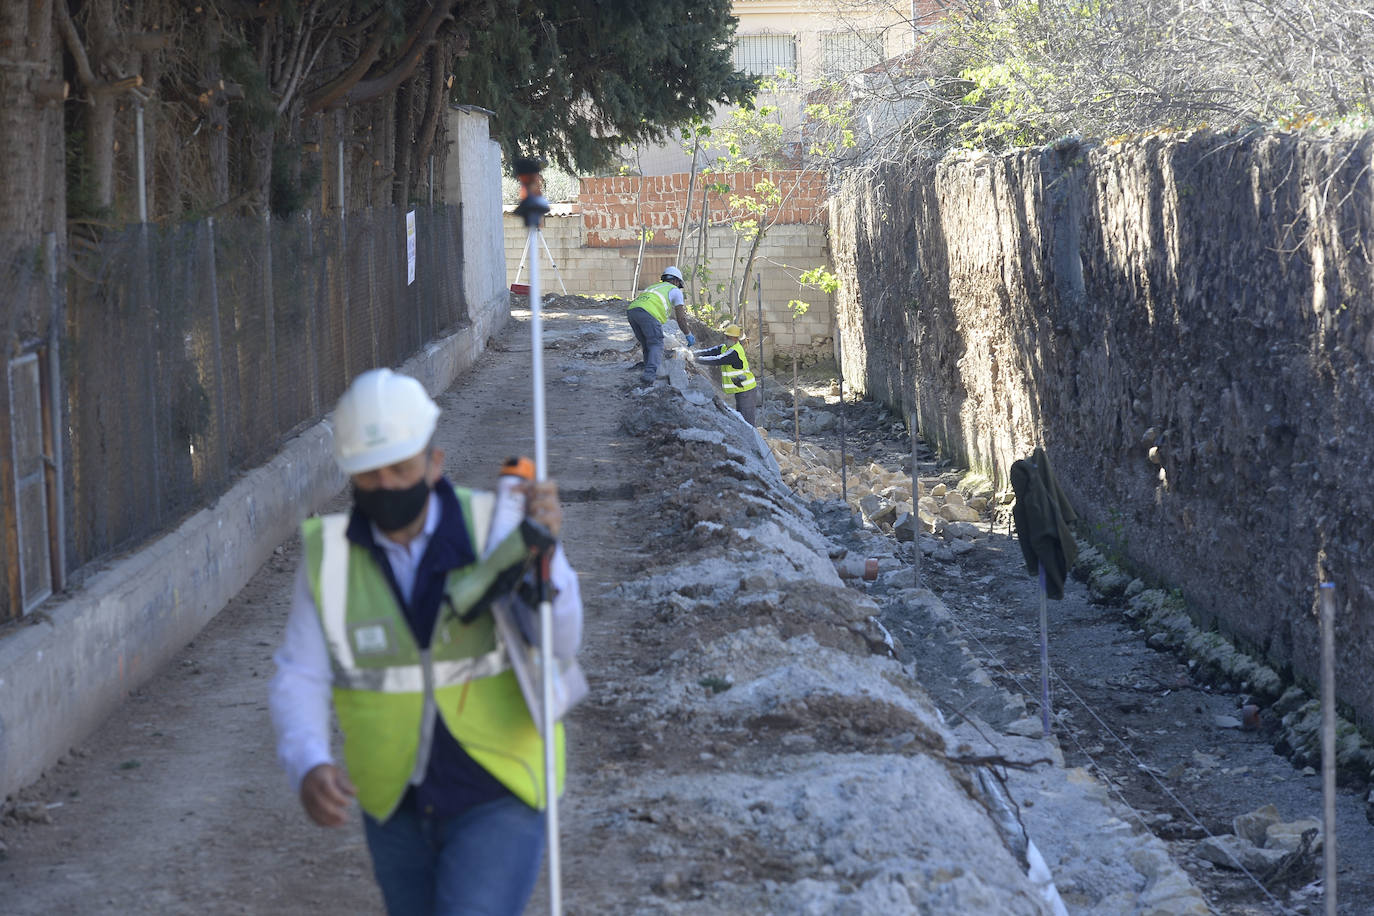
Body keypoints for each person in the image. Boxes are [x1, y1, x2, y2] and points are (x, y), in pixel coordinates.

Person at [270, 368, 583, 916]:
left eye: (401, 467)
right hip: (396, 802)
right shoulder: (331, 562)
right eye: (370, 473)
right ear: (349, 473)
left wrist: (546, 563)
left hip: (501, 786)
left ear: (433, 463)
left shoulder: (496, 527)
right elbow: (301, 673)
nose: (387, 484)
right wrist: (308, 760)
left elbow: (561, 641)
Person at [626, 265, 693, 389]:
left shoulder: (653, 287)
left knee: (647, 344)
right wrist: (688, 334)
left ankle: (648, 370)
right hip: (649, 314)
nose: (678, 287)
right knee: (657, 344)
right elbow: (681, 318)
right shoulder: (675, 290)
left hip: (632, 312)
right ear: (676, 281)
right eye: (678, 284)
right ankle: (649, 376)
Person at [692, 323, 759, 426]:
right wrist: (694, 353)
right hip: (740, 388)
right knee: (742, 420)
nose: (727, 339)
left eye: (729, 337)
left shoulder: (735, 352)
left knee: (747, 422)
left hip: (747, 391)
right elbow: (710, 352)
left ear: (736, 339)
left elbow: (718, 359)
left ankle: (753, 440)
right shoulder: (725, 347)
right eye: (726, 336)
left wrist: (696, 360)